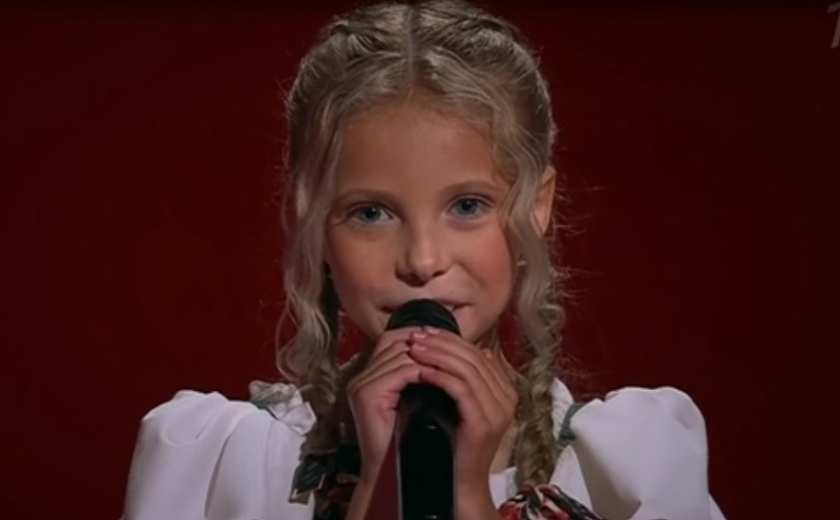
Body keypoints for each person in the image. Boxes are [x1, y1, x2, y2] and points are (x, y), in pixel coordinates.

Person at [121, 1, 726, 519]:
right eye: (370, 213)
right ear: (311, 217)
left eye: (467, 205)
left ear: (536, 206)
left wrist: (469, 495)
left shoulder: (631, 468)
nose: (422, 260)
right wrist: (377, 486)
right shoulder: (230, 466)